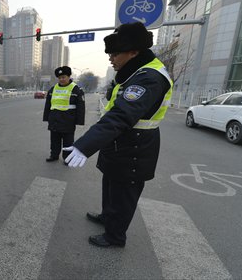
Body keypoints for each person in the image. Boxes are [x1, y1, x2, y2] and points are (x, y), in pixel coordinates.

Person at [64, 22, 173, 248]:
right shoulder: (131, 73)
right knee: (111, 184)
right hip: (119, 143)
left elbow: (122, 115)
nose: (110, 58)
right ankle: (107, 217)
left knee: (124, 193)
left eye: (115, 54)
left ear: (134, 52)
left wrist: (85, 145)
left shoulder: (149, 77)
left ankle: (115, 236)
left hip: (136, 146)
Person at [43, 66, 85, 164]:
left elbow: (81, 106)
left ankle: (67, 158)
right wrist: (46, 117)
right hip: (54, 119)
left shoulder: (76, 89)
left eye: (64, 77)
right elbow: (48, 105)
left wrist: (79, 121)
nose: (61, 79)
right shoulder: (53, 89)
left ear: (69, 76)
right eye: (60, 77)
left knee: (68, 141)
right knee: (54, 140)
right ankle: (54, 155)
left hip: (68, 120)